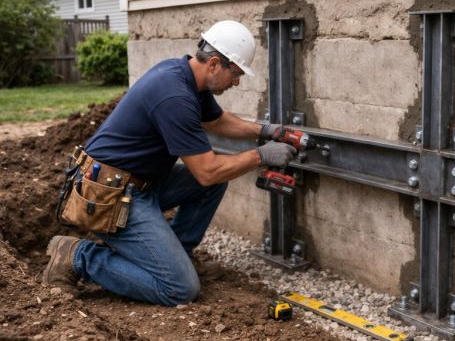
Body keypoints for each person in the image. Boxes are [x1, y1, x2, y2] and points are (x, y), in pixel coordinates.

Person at [43, 20, 295, 306]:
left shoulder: (186, 77)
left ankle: (176, 253)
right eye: (236, 73)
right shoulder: (175, 96)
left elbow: (217, 121)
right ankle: (77, 255)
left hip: (136, 183)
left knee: (214, 184)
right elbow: (207, 172)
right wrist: (261, 155)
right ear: (214, 64)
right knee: (180, 289)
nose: (236, 82)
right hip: (108, 197)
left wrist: (265, 131)